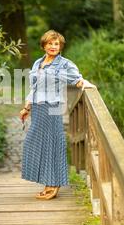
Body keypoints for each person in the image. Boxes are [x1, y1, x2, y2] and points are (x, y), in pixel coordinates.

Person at [20, 30, 96, 200]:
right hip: (38, 108)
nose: (53, 47)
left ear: (60, 46)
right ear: (44, 45)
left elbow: (77, 79)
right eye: (50, 44)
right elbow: (34, 88)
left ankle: (54, 184)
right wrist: (26, 107)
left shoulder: (64, 64)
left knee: (52, 143)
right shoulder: (38, 63)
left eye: (56, 44)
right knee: (33, 143)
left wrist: (87, 85)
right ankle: (49, 182)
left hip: (52, 107)